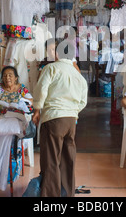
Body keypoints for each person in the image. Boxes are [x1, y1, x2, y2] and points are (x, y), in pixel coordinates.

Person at [32, 38, 88, 197]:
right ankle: (67, 194)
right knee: (68, 159)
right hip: (71, 121)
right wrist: (73, 110)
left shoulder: (51, 69)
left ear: (58, 53)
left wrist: (37, 109)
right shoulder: (78, 75)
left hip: (53, 118)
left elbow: (41, 90)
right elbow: (83, 100)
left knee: (51, 159)